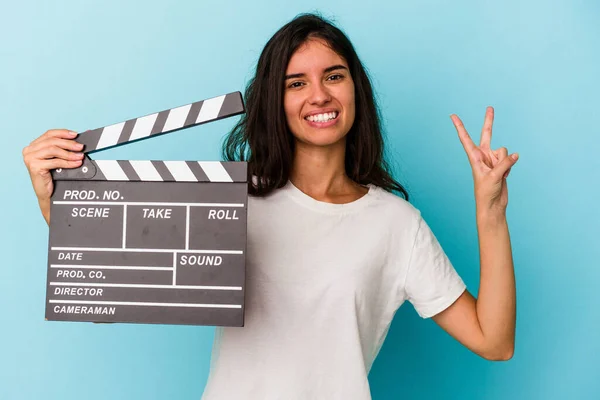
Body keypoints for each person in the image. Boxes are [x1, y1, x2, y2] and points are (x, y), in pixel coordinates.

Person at [23, 12, 518, 400]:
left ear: (356, 90)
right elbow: (118, 280)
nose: (318, 94)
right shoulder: (229, 200)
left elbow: (493, 341)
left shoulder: (396, 224)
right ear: (273, 101)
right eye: (295, 82)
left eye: (334, 76)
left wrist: (490, 212)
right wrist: (55, 199)